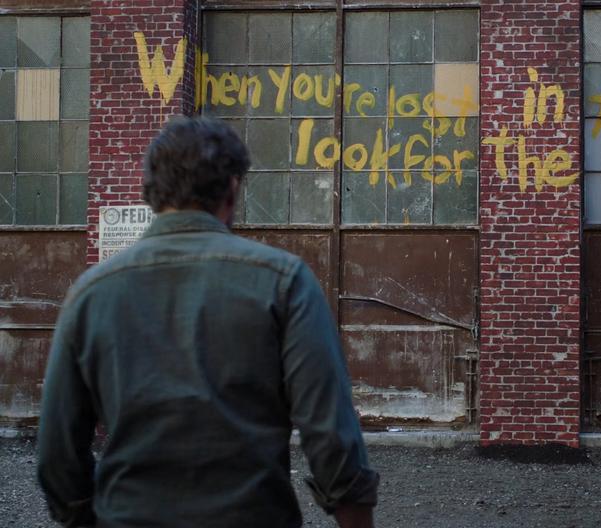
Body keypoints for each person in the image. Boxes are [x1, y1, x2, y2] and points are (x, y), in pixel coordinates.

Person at [36, 117, 378, 528]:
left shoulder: (90, 294)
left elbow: (57, 452)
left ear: (151, 193)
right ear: (232, 188)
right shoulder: (283, 281)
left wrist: (88, 514)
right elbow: (330, 433)